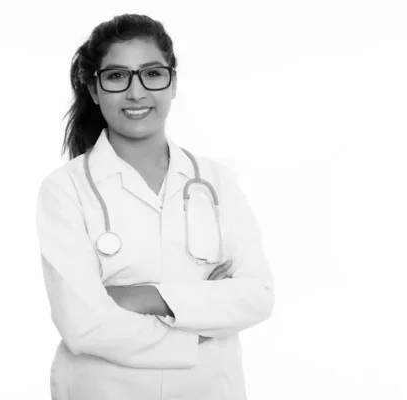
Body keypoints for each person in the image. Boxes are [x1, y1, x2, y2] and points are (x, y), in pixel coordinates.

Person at [35, 14, 275, 400]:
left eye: (152, 74)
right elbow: (83, 323)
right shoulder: (65, 190)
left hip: (209, 388)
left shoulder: (217, 182)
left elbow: (258, 296)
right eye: (116, 77)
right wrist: (198, 326)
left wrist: (144, 296)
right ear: (95, 90)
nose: (136, 92)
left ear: (173, 82)